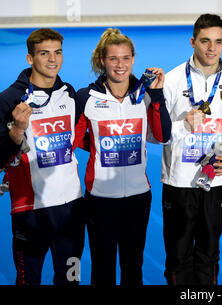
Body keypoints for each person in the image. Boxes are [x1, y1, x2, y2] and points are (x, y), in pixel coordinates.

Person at [74, 28, 171, 286]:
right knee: (102, 267)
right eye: (113, 58)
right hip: (100, 199)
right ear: (102, 61)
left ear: (133, 59)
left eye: (126, 58)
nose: (120, 65)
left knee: (133, 265)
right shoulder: (86, 97)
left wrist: (159, 93)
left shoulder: (146, 95)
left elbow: (162, 135)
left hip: (138, 196)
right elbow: (76, 141)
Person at [161, 13, 222, 285]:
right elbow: (155, 134)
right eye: (205, 41)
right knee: (177, 255)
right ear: (192, 41)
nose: (212, 48)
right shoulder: (172, 80)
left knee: (209, 253)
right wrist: (182, 125)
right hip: (179, 182)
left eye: (218, 42)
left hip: (216, 180)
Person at [0, 28, 85, 285]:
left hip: (72, 207)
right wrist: (17, 131)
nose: (52, 60)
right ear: (30, 58)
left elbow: (79, 138)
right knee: (28, 280)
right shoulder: (8, 100)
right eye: (44, 53)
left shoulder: (69, 93)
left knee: (71, 279)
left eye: (57, 52)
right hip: (30, 211)